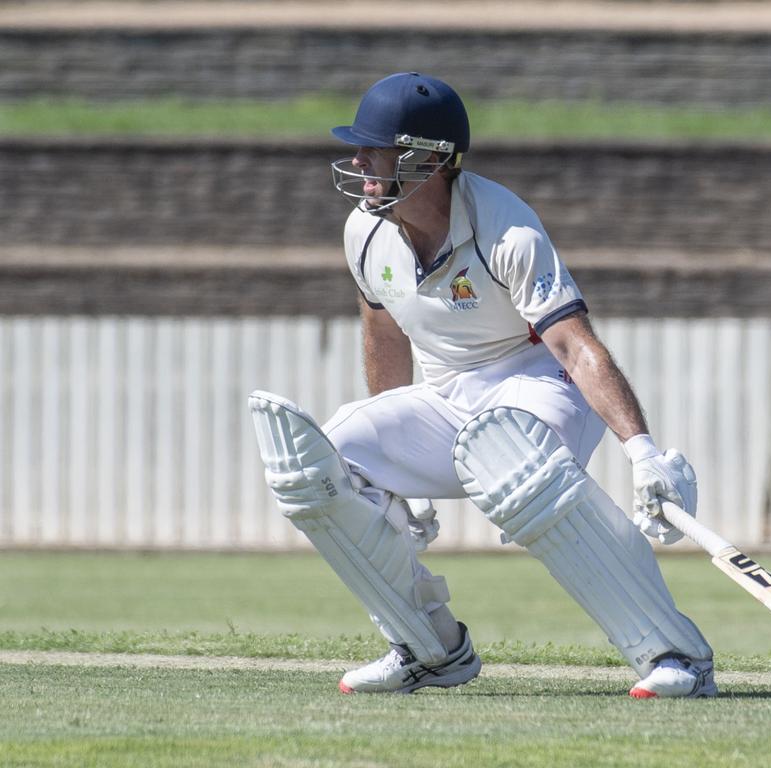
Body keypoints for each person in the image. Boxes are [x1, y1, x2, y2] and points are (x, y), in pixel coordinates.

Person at [248, 72, 716, 699]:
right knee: (321, 464)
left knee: (515, 468)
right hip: (448, 397)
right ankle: (427, 648)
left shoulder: (506, 230)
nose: (358, 160)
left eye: (375, 148)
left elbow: (576, 348)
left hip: (538, 385)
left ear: (428, 158)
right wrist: (389, 483)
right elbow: (384, 334)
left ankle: (676, 655)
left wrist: (643, 452)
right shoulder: (364, 230)